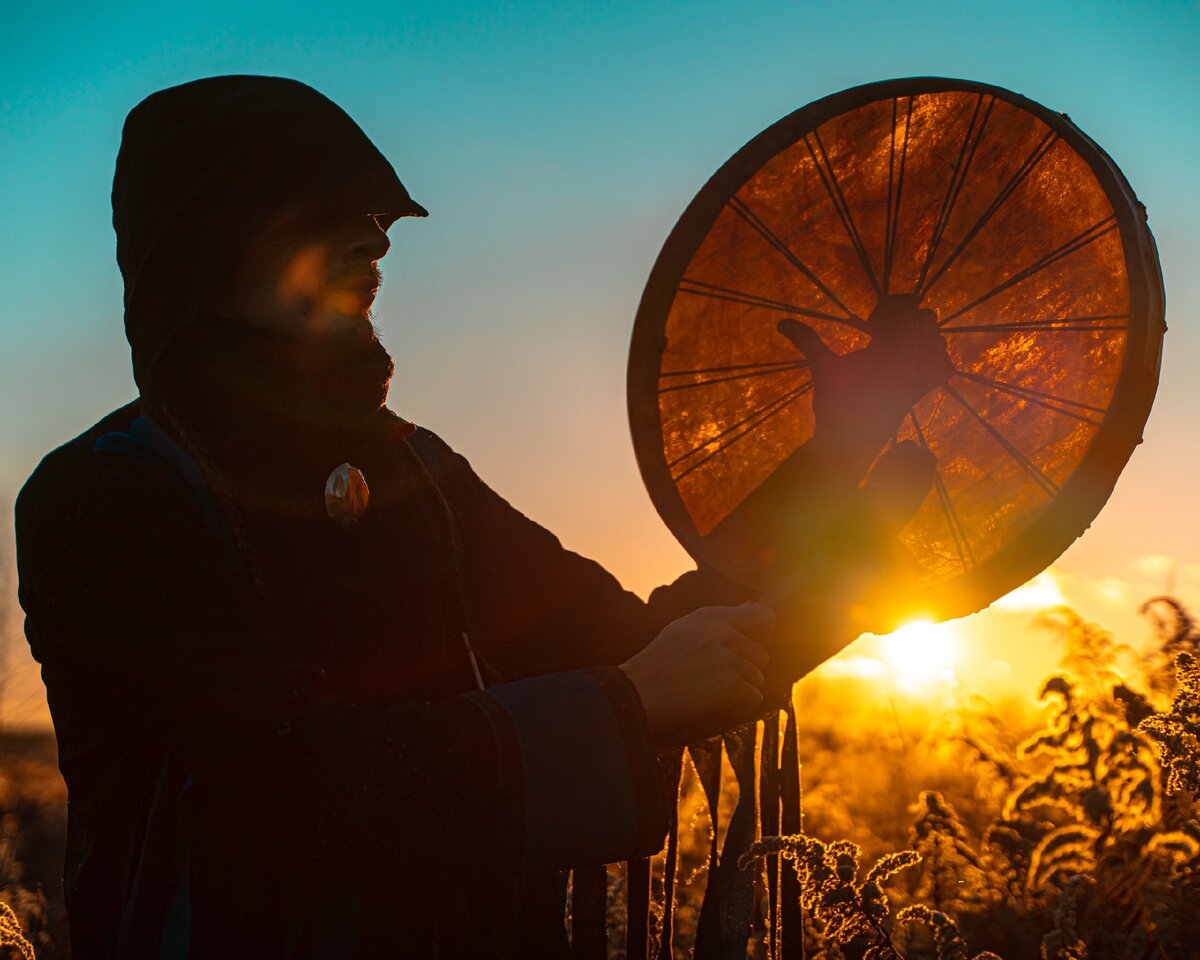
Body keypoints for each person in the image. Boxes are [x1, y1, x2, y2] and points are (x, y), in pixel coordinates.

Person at [14, 75, 794, 960]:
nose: (375, 239)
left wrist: (855, 468)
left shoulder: (417, 470)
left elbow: (654, 645)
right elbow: (295, 787)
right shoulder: (106, 497)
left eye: (376, 216)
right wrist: (630, 704)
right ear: (207, 248)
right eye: (322, 212)